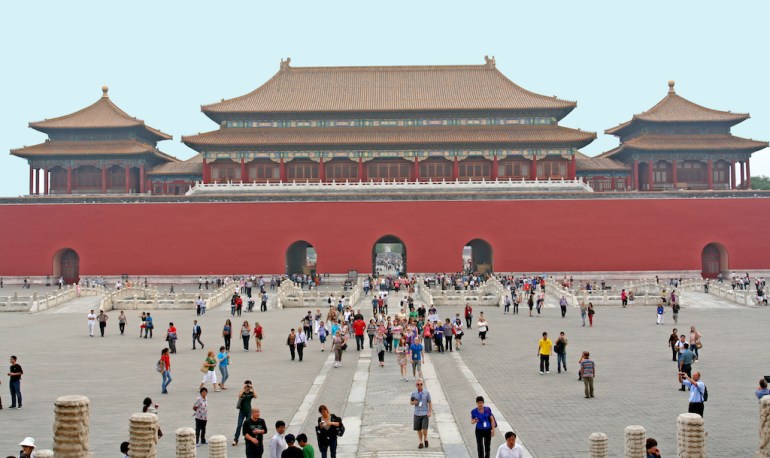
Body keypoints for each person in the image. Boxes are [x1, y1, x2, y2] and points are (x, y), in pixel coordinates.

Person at [234, 380, 257, 446]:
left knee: (248, 426)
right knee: (239, 425)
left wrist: (252, 388)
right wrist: (243, 388)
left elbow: (255, 396)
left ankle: (247, 439)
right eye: (247, 385)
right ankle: (236, 439)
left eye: (248, 386)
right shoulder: (242, 392)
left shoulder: (251, 393)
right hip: (242, 412)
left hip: (248, 412)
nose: (247, 387)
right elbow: (239, 396)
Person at [411, 379, 432, 449]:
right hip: (417, 413)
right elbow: (410, 402)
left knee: (424, 429)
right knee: (418, 429)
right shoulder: (414, 393)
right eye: (418, 384)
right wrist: (414, 403)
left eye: (421, 384)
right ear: (416, 385)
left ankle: (425, 438)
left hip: (425, 413)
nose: (419, 385)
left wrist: (430, 411)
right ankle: (421, 442)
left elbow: (429, 402)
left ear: (423, 384)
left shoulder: (426, 393)